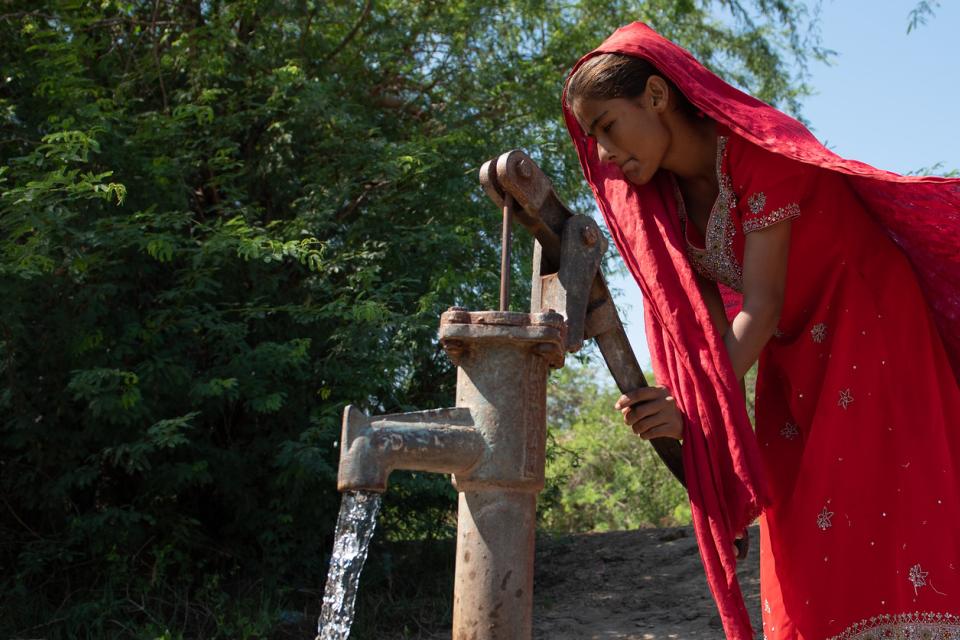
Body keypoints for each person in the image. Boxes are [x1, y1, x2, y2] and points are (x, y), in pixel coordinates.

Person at [561, 21, 960, 640]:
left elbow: (763, 306)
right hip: (790, 351)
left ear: (659, 97)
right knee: (800, 522)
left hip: (873, 328)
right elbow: (713, 340)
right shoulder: (668, 205)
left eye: (608, 126)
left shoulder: (757, 150)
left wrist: (694, 406)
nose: (604, 154)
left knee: (880, 506)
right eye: (594, 139)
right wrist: (685, 414)